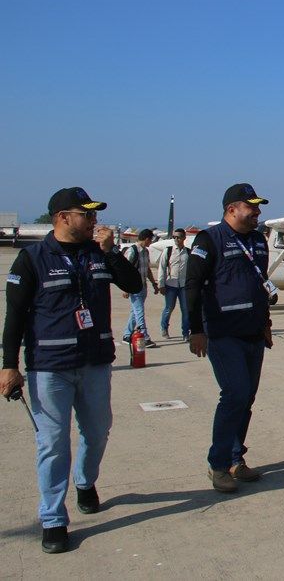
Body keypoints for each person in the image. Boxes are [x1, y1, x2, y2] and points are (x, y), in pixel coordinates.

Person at [0, 188, 142, 553]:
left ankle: (85, 480)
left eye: (95, 215)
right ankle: (53, 518)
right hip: (50, 368)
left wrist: (111, 252)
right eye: (87, 214)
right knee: (52, 443)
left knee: (97, 431)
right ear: (63, 217)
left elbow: (134, 285)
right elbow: (14, 316)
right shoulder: (32, 259)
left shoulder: (98, 254)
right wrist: (9, 365)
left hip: (95, 362)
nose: (94, 221)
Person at [185, 183, 274, 493]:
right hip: (223, 333)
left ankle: (236, 458)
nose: (257, 212)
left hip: (253, 332)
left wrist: (265, 322)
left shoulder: (258, 241)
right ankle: (219, 464)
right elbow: (192, 285)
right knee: (235, 393)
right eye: (251, 207)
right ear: (231, 209)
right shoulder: (209, 239)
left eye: (258, 207)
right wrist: (196, 329)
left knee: (247, 397)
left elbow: (260, 283)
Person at [121, 228, 159, 348]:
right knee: (140, 312)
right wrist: (126, 288)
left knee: (135, 312)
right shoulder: (133, 251)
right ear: (147, 239)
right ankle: (144, 337)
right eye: (150, 240)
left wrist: (153, 283)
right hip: (134, 287)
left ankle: (127, 335)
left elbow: (147, 269)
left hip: (143, 287)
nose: (151, 243)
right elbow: (125, 270)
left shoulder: (145, 252)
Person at [158, 228, 190, 339]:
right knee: (169, 308)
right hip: (170, 285)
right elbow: (162, 268)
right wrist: (161, 284)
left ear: (184, 238)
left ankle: (185, 332)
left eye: (178, 237)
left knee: (186, 310)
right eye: (174, 237)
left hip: (184, 286)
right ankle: (164, 328)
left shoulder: (188, 252)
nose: (176, 239)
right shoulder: (168, 251)